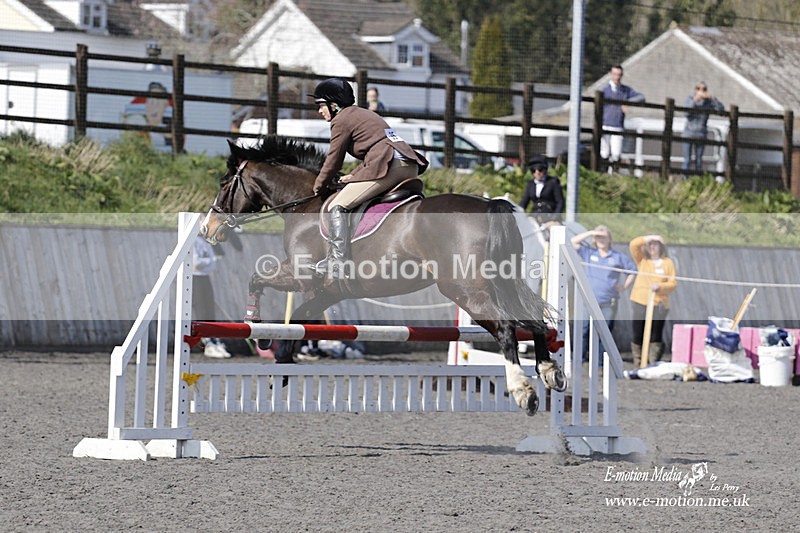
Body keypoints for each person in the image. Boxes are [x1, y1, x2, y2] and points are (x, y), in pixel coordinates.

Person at [309, 78, 428, 279]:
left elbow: (333, 161)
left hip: (391, 166)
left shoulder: (341, 120)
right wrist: (354, 176)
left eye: (321, 105)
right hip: (408, 164)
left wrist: (318, 185)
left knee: (337, 205)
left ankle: (337, 261)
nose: (319, 111)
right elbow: (376, 150)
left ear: (334, 104)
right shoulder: (363, 113)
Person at [571, 225, 637, 361]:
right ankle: (579, 359)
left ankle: (601, 362)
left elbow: (632, 270)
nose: (601, 239)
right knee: (584, 329)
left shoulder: (617, 256)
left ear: (610, 239)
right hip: (588, 300)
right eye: (598, 237)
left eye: (604, 236)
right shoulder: (588, 252)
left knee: (604, 332)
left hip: (608, 302)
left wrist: (624, 286)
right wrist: (591, 232)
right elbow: (573, 242)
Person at [629, 234, 677, 367]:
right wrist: (649, 237)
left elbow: (673, 283)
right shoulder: (643, 261)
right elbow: (634, 244)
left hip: (659, 303)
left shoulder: (668, 263)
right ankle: (638, 361)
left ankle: (652, 361)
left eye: (655, 244)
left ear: (661, 247)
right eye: (650, 244)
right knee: (638, 331)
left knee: (655, 334)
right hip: (640, 300)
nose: (652, 247)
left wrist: (660, 287)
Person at [601, 65, 645, 173]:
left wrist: (628, 102)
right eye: (615, 74)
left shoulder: (625, 90)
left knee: (616, 153)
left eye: (619, 75)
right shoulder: (604, 90)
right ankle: (602, 175)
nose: (617, 77)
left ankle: (614, 176)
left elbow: (641, 97)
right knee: (604, 152)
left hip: (617, 125)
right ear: (611, 74)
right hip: (605, 124)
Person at [193, 235, 231, 358]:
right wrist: (212, 260)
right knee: (201, 311)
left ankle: (215, 341)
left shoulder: (205, 241)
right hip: (194, 277)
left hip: (205, 276)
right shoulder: (193, 240)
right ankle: (207, 343)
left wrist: (211, 261)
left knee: (210, 311)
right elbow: (195, 263)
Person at [683, 82, 724, 176]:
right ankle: (685, 181)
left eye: (704, 89)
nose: (701, 91)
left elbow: (721, 110)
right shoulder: (689, 99)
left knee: (699, 161)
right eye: (699, 88)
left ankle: (698, 181)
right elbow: (686, 113)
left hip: (701, 134)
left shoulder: (708, 102)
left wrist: (713, 99)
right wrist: (695, 100)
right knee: (687, 160)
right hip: (688, 134)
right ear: (696, 89)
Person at [519, 155, 564, 224]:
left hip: (550, 216)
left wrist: (555, 217)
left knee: (555, 229)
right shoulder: (530, 184)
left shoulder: (553, 182)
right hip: (534, 216)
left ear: (545, 169)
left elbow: (560, 202)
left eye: (540, 169)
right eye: (533, 170)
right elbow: (524, 202)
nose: (537, 173)